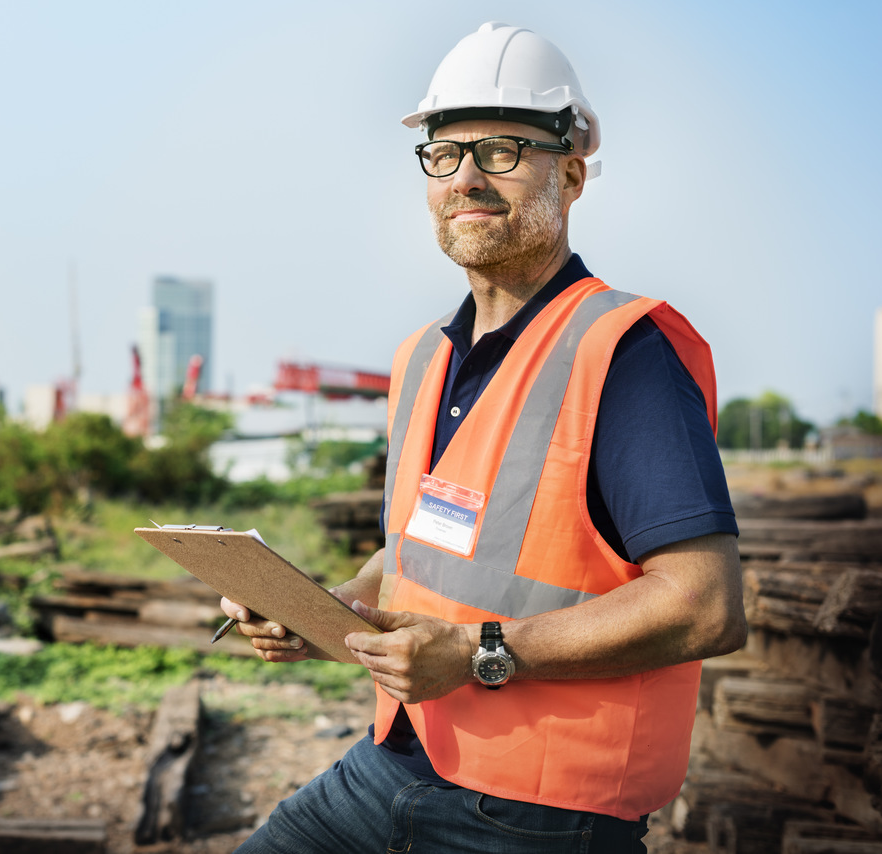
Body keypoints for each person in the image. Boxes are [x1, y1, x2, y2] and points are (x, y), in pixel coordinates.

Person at [222, 21, 747, 853]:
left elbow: (706, 605)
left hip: (538, 814)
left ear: (570, 172)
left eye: (503, 149)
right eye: (444, 152)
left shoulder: (625, 352)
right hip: (390, 764)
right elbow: (421, 553)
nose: (467, 176)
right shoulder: (422, 358)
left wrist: (476, 655)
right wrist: (326, 611)